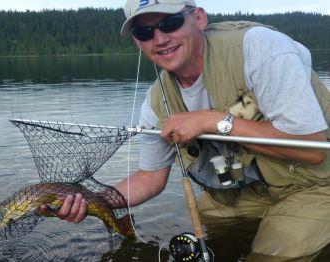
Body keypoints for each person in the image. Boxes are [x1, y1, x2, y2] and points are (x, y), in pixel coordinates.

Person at [42, 0, 330, 260]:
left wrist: (212, 120)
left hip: (318, 184)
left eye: (170, 23)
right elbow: (150, 178)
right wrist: (90, 202)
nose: (160, 38)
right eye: (145, 33)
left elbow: (311, 146)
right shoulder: (157, 102)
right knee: (212, 215)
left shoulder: (258, 48)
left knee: (271, 253)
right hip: (253, 190)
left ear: (199, 18)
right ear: (137, 42)